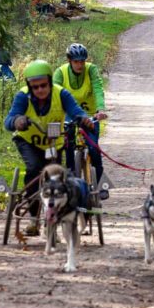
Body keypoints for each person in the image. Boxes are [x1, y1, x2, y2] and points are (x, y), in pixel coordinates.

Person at [4, 59, 94, 236]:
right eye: (35, 87)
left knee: (54, 178)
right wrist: (17, 121)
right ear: (29, 87)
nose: (40, 90)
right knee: (34, 170)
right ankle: (33, 220)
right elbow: (9, 120)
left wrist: (83, 119)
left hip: (54, 142)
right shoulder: (23, 97)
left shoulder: (61, 94)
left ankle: (52, 219)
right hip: (28, 142)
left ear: (50, 82)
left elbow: (75, 111)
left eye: (43, 85)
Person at [53, 43, 108, 196]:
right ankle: (71, 183)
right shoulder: (60, 72)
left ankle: (100, 184)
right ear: (69, 61)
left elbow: (98, 88)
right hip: (68, 116)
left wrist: (100, 109)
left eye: (82, 61)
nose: (80, 65)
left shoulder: (91, 70)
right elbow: (54, 94)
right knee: (68, 148)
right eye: (76, 61)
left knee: (93, 149)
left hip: (90, 115)